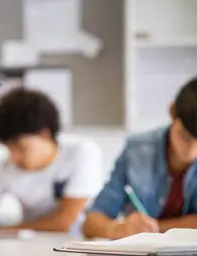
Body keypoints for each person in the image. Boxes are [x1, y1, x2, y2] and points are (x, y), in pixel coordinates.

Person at [83, 77, 197, 239]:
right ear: (172, 111)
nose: (192, 152)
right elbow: (92, 221)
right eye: (184, 136)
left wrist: (155, 228)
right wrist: (117, 229)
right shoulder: (137, 150)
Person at [0, 88, 102, 233]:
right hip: (33, 245)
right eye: (8, 148)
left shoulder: (81, 152)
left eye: (20, 147)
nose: (13, 157)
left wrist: (3, 230)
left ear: (45, 134)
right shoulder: (7, 167)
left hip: (78, 243)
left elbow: (63, 222)